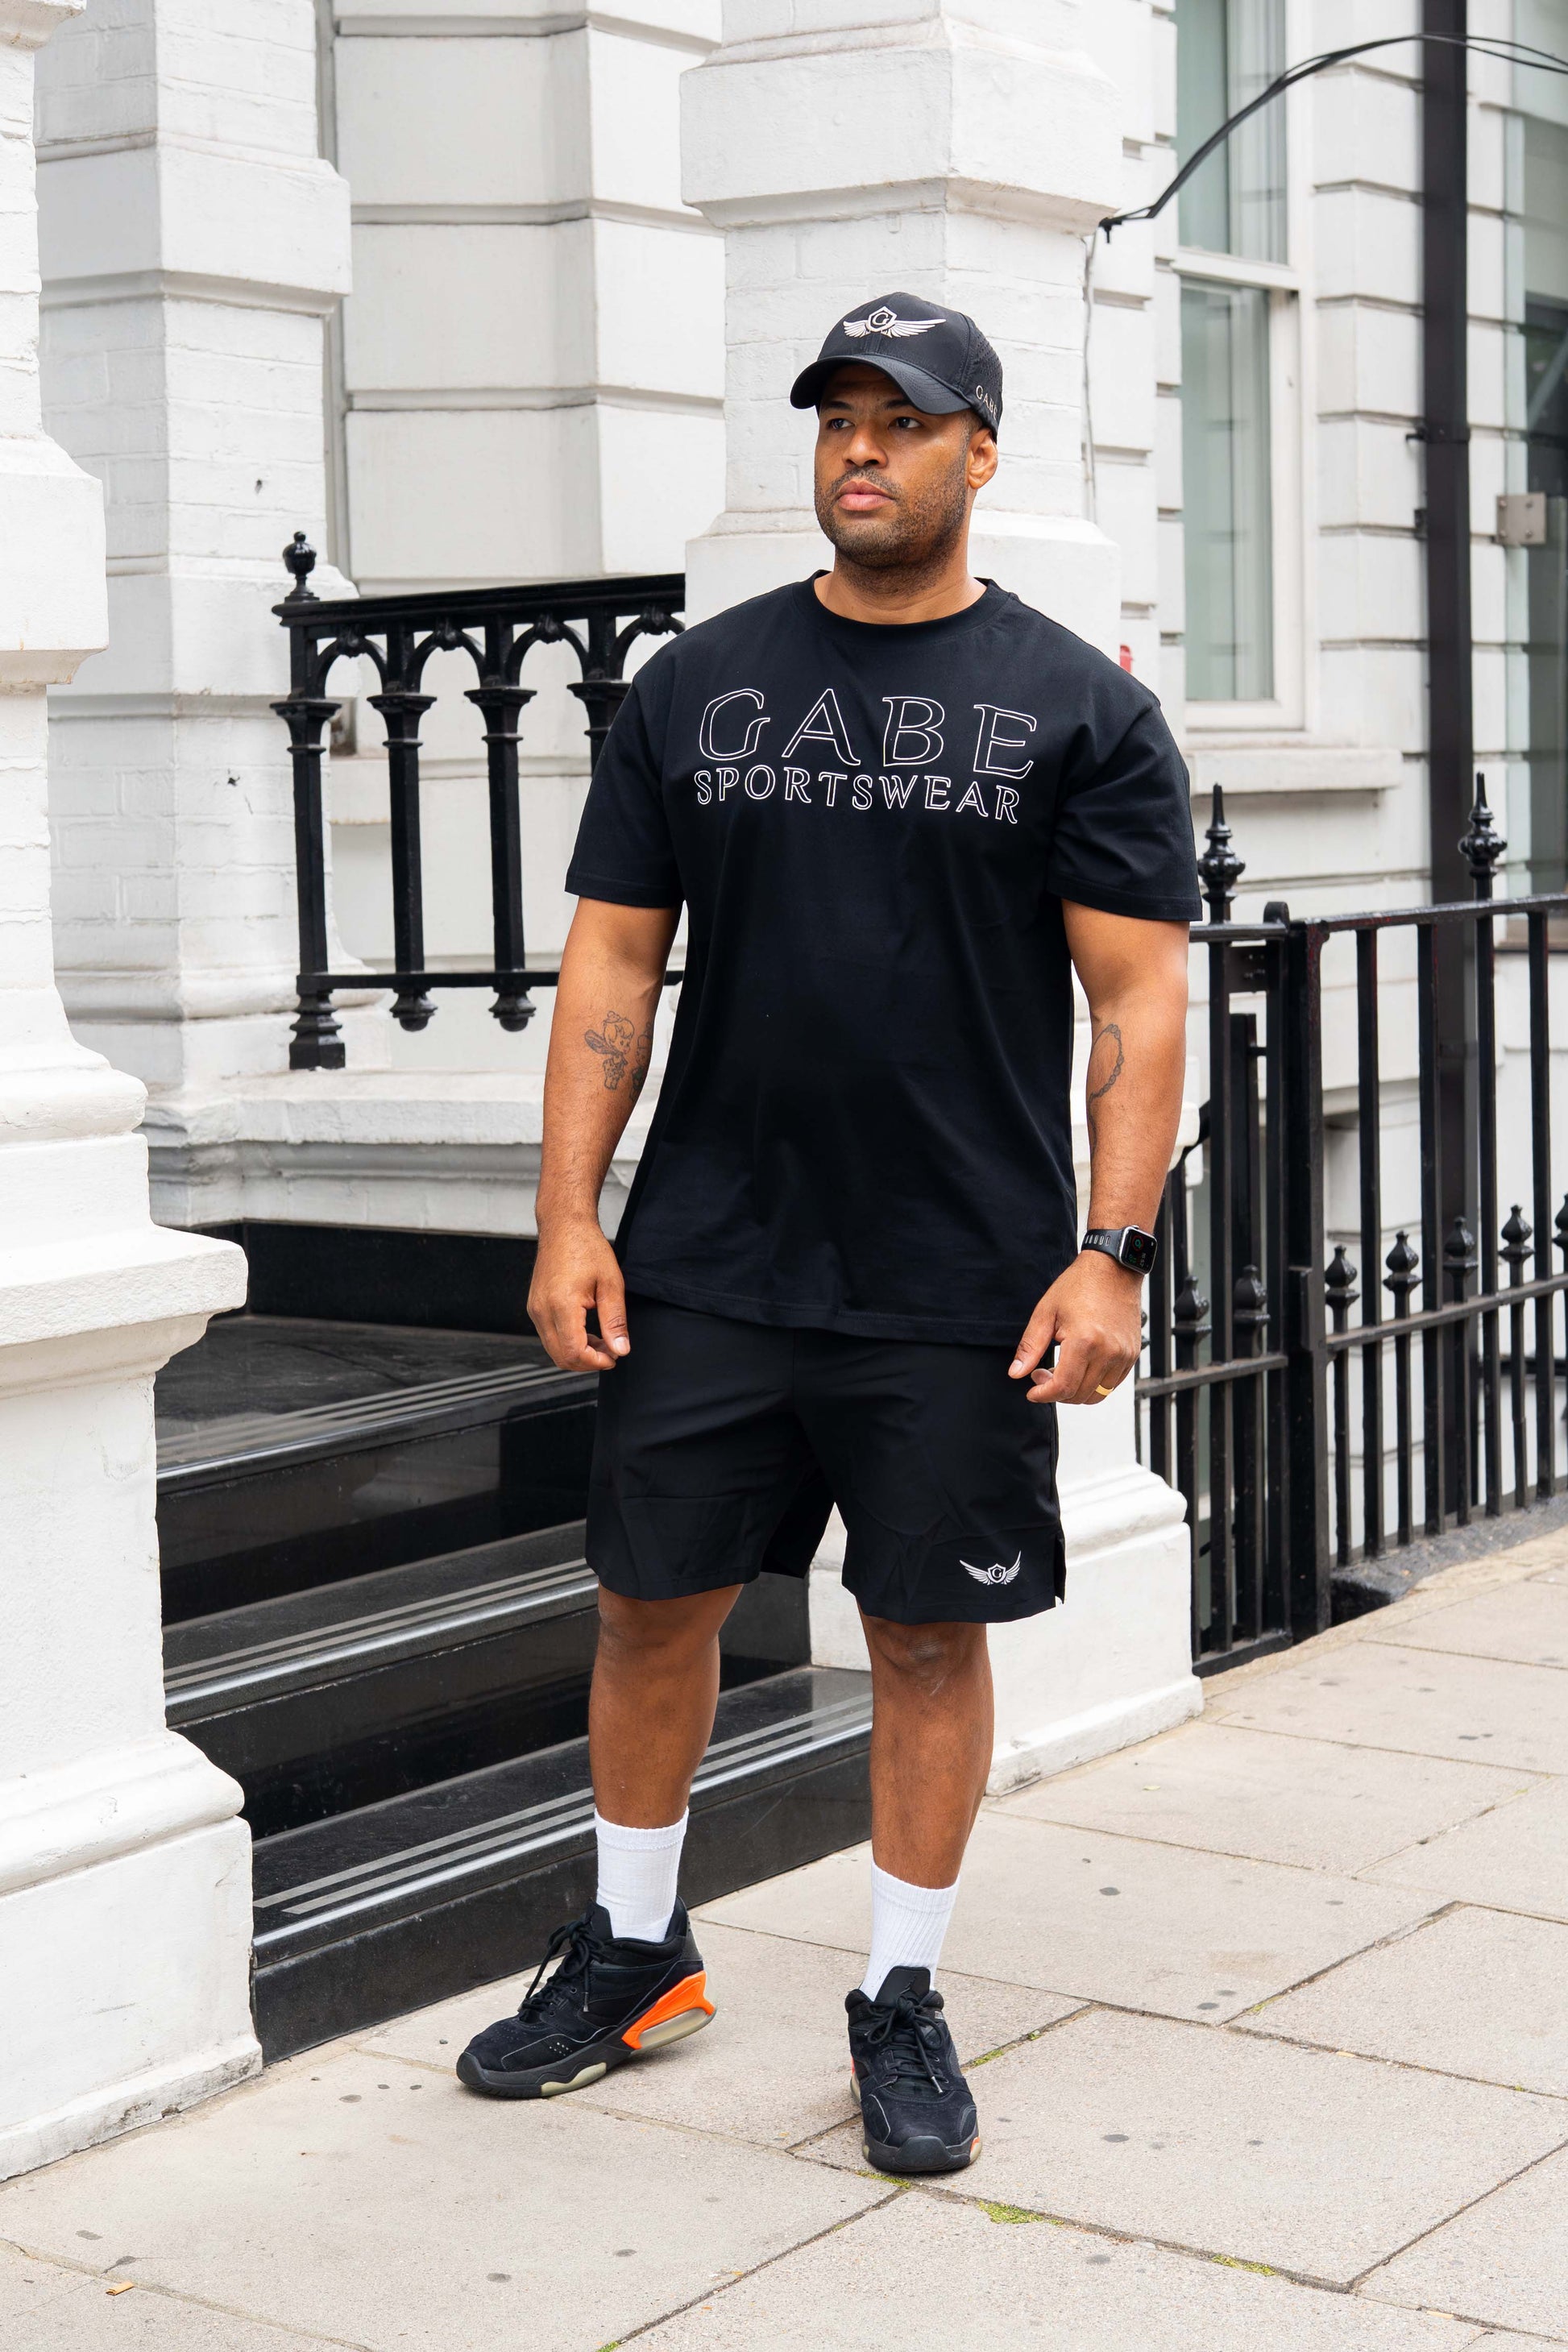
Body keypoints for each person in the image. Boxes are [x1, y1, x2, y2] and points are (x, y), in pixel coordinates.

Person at [457, 292, 1197, 2176]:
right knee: (650, 1601)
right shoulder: (696, 687)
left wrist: (1111, 1248)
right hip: (710, 1248)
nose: (860, 448)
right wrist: (568, 1213)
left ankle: (900, 1991)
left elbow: (1134, 1003)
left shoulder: (1081, 709)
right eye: (835, 416)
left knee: (924, 1633)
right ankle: (635, 1948)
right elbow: (611, 963)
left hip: (956, 1269)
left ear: (979, 451)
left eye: (904, 417)